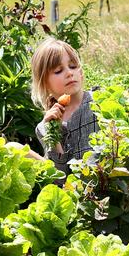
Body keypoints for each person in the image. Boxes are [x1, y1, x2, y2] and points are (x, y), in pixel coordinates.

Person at [30, 37, 98, 174]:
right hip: (73, 191)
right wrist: (53, 132)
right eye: (58, 71)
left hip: (108, 185)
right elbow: (60, 176)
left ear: (81, 72)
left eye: (73, 66)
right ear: (44, 83)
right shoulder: (45, 126)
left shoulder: (98, 102)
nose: (69, 73)